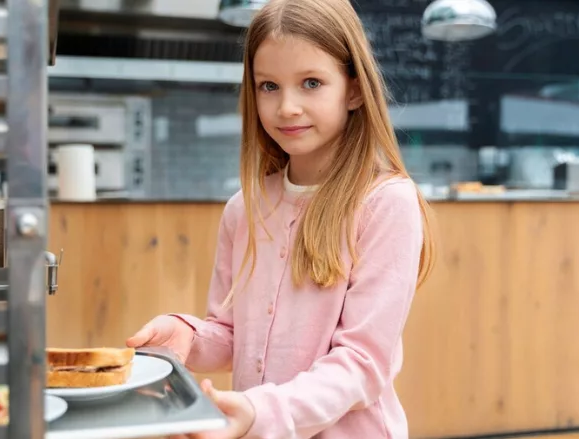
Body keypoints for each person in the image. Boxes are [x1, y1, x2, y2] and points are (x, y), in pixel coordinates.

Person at [126, 0, 436, 437]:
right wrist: (187, 336)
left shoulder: (386, 204)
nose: (286, 106)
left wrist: (259, 413)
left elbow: (363, 364)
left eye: (311, 83)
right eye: (268, 86)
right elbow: (233, 335)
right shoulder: (244, 209)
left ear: (352, 89)